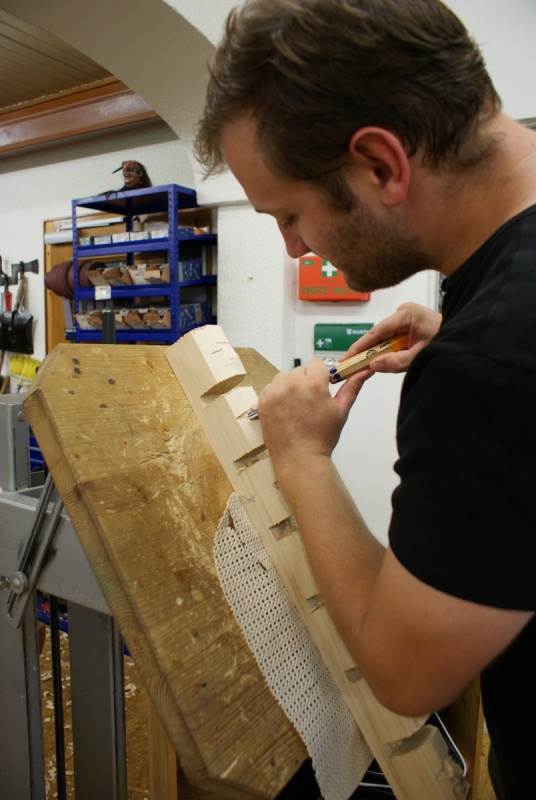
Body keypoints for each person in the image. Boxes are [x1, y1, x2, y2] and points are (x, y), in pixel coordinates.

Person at [194, 1, 536, 797]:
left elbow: (406, 675)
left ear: (380, 165)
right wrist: (468, 334)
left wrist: (302, 458)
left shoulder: (494, 363)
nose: (293, 246)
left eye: (289, 214)